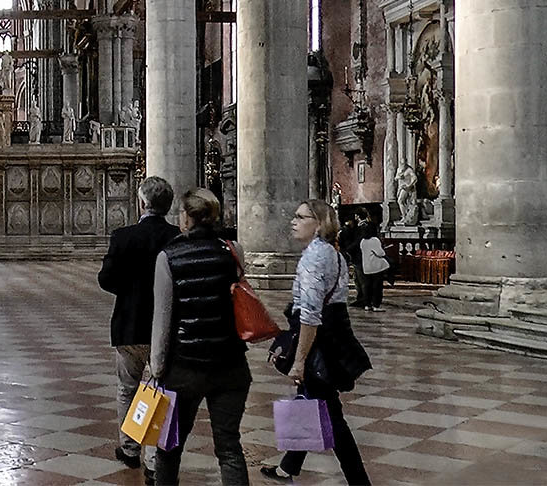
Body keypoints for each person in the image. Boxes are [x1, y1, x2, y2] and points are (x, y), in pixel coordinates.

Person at [261, 199, 370, 485]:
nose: (293, 222)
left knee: (331, 416)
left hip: (319, 340)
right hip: (334, 334)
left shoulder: (313, 258)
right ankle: (288, 467)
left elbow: (310, 315)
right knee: (308, 400)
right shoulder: (333, 253)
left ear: (318, 224)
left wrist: (298, 361)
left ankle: (360, 481)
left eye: (301, 217)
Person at [150, 189, 251, 486]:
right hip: (230, 363)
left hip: (185, 367)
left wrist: (156, 368)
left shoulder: (168, 257)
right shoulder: (233, 250)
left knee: (169, 447)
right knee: (230, 447)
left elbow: (163, 319)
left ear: (186, 218)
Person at [98, 176, 179, 480]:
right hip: (167, 325)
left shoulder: (124, 236)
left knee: (127, 388)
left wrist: (130, 289)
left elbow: (106, 279)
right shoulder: (177, 237)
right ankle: (156, 460)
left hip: (130, 323)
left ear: (142, 203)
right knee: (162, 391)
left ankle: (130, 448)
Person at [359, 222, 389, 312]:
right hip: (376, 267)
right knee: (377, 287)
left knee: (367, 286)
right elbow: (380, 253)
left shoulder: (363, 241)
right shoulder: (374, 240)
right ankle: (376, 305)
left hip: (367, 266)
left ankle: (367, 304)